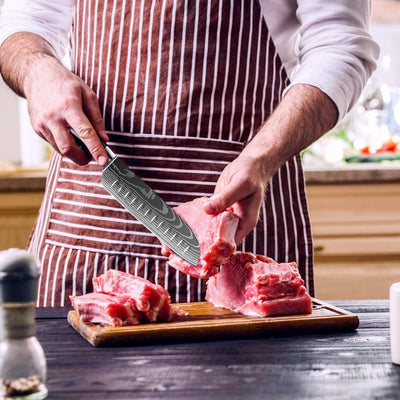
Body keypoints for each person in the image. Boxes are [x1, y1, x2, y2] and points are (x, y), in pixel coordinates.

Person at [0, 0, 379, 307]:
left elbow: (341, 43)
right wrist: (38, 72)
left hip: (240, 209)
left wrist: (261, 156)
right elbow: (23, 19)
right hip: (90, 212)